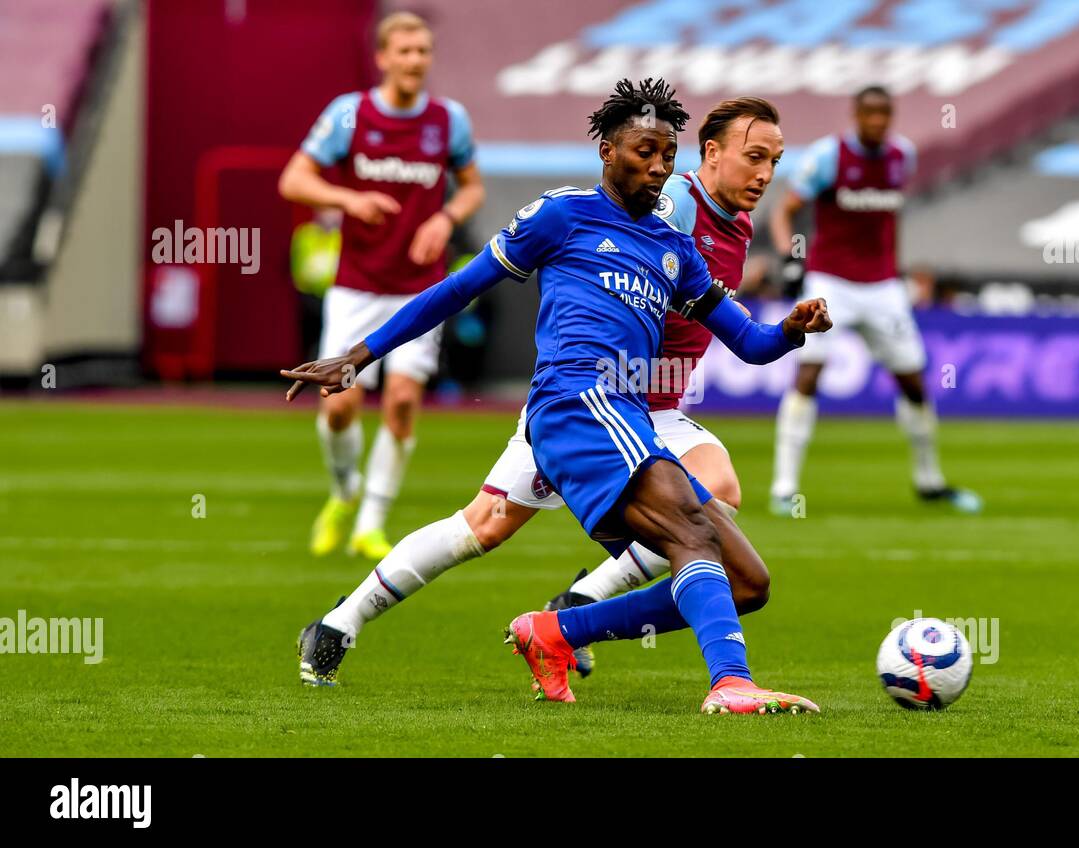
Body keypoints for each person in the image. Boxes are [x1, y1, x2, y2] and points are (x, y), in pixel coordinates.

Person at [284, 78, 831, 714]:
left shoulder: (676, 249)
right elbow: (460, 289)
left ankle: (554, 629)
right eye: (643, 152)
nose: (657, 167)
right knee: (693, 525)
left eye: (664, 155)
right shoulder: (565, 214)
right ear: (607, 151)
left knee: (746, 580)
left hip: (626, 414)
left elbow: (751, 342)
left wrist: (791, 331)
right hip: (581, 404)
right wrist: (359, 355)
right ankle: (725, 681)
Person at [277, 11, 484, 561]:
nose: (416, 60)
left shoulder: (448, 121)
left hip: (421, 289)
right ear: (383, 57)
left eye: (423, 51)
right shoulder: (350, 115)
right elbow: (293, 179)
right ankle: (344, 492)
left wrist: (445, 219)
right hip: (358, 287)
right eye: (406, 51)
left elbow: (471, 188)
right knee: (339, 406)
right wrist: (348, 199)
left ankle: (371, 522)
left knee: (400, 401)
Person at [769, 85, 980, 515]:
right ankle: (783, 487)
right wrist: (790, 259)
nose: (878, 122)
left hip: (883, 286)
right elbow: (783, 210)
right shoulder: (829, 157)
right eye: (871, 114)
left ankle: (929, 481)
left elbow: (888, 221)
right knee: (808, 374)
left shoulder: (902, 156)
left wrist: (895, 269)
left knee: (914, 383)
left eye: (885, 114)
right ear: (856, 114)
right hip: (831, 282)